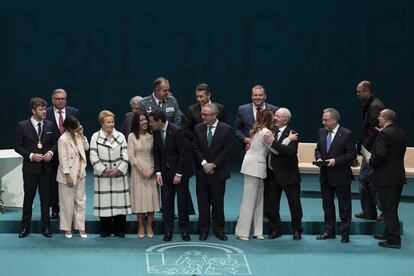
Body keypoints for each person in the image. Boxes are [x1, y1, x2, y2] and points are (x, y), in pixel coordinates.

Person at [15, 97, 58, 238]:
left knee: (46, 199)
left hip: (46, 168)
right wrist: (31, 155)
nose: (44, 111)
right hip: (30, 169)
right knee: (29, 198)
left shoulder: (50, 125)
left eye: (45, 109)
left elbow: (56, 143)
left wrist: (51, 152)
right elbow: (17, 146)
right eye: (41, 109)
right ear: (33, 111)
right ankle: (25, 227)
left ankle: (45, 227)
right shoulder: (22, 126)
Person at [235, 109, 278, 240]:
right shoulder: (266, 132)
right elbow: (275, 150)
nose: (275, 119)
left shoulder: (257, 130)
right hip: (254, 167)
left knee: (259, 200)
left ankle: (257, 231)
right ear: (269, 119)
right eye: (273, 117)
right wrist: (288, 140)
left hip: (256, 167)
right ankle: (242, 232)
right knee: (249, 201)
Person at [149, 110, 192, 242]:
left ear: (160, 121)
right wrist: (158, 172)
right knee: (167, 204)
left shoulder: (177, 130)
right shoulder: (155, 132)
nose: (150, 124)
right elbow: (156, 153)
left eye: (152, 121)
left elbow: (182, 153)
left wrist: (179, 173)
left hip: (179, 172)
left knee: (182, 203)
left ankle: (185, 230)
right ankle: (168, 231)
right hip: (164, 173)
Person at [315, 108, 357, 243]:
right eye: (323, 120)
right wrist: (319, 158)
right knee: (327, 205)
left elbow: (352, 154)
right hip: (325, 175)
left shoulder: (346, 134)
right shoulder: (321, 132)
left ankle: (345, 233)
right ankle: (329, 231)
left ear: (334, 120)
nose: (323, 122)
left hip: (341, 176)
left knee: (344, 206)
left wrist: (336, 161)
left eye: (326, 120)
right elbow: (318, 149)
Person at [193, 103, 234, 241]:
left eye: (206, 114)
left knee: (218, 202)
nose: (203, 116)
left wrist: (214, 165)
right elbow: (195, 148)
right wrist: (204, 164)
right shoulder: (198, 128)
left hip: (218, 172)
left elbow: (227, 151)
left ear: (215, 115)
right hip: (202, 172)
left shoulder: (226, 129)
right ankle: (203, 230)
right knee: (202, 202)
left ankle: (219, 229)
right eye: (202, 114)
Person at [90, 110, 132, 237]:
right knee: (105, 202)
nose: (111, 124)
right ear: (102, 123)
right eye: (108, 122)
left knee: (120, 202)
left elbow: (126, 154)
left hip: (119, 174)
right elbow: (93, 156)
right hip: (103, 176)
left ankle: (120, 229)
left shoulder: (120, 136)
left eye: (112, 122)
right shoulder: (95, 137)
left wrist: (119, 169)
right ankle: (105, 229)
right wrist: (103, 169)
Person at [370, 109, 407, 249]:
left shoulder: (384, 134)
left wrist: (370, 160)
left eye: (380, 116)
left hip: (386, 178)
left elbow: (379, 156)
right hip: (398, 177)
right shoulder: (400, 132)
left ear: (385, 118)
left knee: (388, 210)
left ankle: (393, 240)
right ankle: (389, 233)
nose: (378, 118)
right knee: (392, 208)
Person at [264, 108, 303, 240]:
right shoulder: (270, 132)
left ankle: (297, 230)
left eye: (277, 116)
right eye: (275, 115)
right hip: (272, 175)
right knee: (272, 205)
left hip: (289, 176)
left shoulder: (293, 133)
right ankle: (276, 229)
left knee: (294, 205)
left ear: (285, 120)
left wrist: (274, 143)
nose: (274, 118)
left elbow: (290, 152)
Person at [46, 88, 80, 219]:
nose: (60, 101)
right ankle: (55, 208)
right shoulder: (46, 112)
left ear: (66, 99)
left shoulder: (74, 112)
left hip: (70, 154)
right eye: (57, 99)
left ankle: (69, 209)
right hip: (52, 155)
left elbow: (77, 131)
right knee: (53, 183)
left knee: (70, 183)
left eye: (62, 99)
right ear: (52, 99)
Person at [354, 80, 385, 221]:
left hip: (372, 151)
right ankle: (369, 212)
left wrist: (363, 148)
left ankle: (384, 211)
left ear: (367, 91)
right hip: (369, 149)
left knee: (371, 181)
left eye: (359, 92)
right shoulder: (370, 105)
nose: (357, 94)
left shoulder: (374, 106)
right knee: (364, 181)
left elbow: (374, 131)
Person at [127, 112, 159, 239]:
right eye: (141, 120)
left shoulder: (153, 135)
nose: (144, 122)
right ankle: (140, 226)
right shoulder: (131, 136)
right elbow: (131, 156)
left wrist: (152, 170)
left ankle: (149, 226)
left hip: (151, 169)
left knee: (151, 198)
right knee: (139, 199)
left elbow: (156, 154)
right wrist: (142, 171)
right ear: (136, 122)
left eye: (146, 120)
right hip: (137, 171)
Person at [56, 116, 89, 239]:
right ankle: (67, 228)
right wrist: (67, 175)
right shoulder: (63, 139)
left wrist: (83, 135)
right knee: (66, 203)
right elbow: (63, 159)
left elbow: (86, 148)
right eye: (76, 126)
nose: (78, 127)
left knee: (81, 201)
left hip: (81, 173)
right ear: (69, 127)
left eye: (79, 125)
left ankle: (81, 227)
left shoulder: (79, 136)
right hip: (68, 175)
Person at [234, 84, 277, 151]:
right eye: (255, 95)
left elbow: (276, 128)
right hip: (248, 148)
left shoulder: (273, 110)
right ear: (252, 96)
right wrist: (245, 139)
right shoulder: (242, 109)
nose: (258, 97)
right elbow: (237, 129)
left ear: (265, 96)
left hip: (268, 149)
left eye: (260, 95)